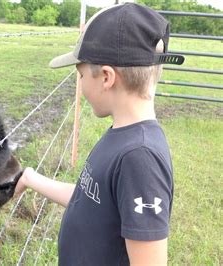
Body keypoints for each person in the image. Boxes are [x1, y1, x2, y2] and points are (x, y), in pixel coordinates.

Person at [14, 3, 184, 265]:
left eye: (80, 76)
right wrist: (31, 178)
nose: (79, 85)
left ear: (106, 77)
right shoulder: (122, 134)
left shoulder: (140, 158)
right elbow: (93, 201)